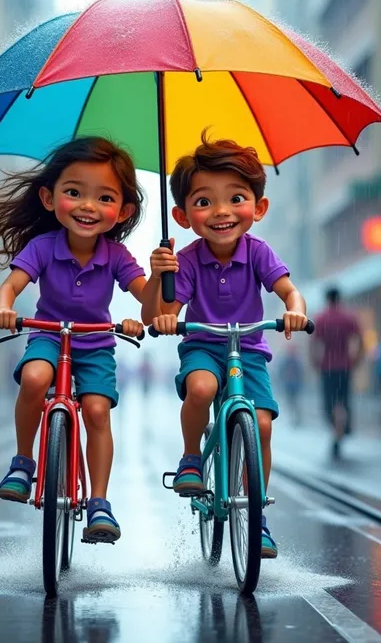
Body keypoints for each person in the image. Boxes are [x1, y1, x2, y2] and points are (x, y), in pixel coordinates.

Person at [0, 137, 146, 543]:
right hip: (49, 335)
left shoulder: (117, 256)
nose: (87, 205)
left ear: (122, 211)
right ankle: (23, 462)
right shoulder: (43, 247)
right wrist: (4, 307)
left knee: (98, 412)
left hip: (97, 343)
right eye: (74, 193)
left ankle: (100, 503)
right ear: (49, 199)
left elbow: (149, 299)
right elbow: (11, 286)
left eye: (104, 197)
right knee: (34, 379)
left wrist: (153, 291)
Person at [142, 132, 308, 559]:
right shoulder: (191, 259)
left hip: (249, 351)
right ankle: (191, 457)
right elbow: (162, 311)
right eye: (203, 202)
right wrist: (162, 290)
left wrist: (294, 309)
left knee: (263, 426)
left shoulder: (258, 252)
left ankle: (259, 516)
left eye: (236, 198)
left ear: (259, 207)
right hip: (203, 345)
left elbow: (290, 292)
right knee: (200, 389)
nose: (220, 212)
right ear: (181, 216)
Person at [310, 287, 364, 458]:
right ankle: (343, 427)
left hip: (327, 367)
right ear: (339, 298)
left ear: (327, 299)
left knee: (329, 404)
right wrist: (356, 359)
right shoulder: (349, 317)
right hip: (345, 366)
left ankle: (337, 430)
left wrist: (315, 363)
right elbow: (360, 340)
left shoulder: (321, 318)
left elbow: (313, 344)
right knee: (344, 400)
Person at [277, 344, 304, 426]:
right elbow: (281, 372)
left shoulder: (296, 361)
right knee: (291, 402)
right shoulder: (286, 361)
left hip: (295, 385)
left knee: (295, 401)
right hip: (289, 385)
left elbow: (301, 373)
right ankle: (294, 417)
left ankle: (297, 418)